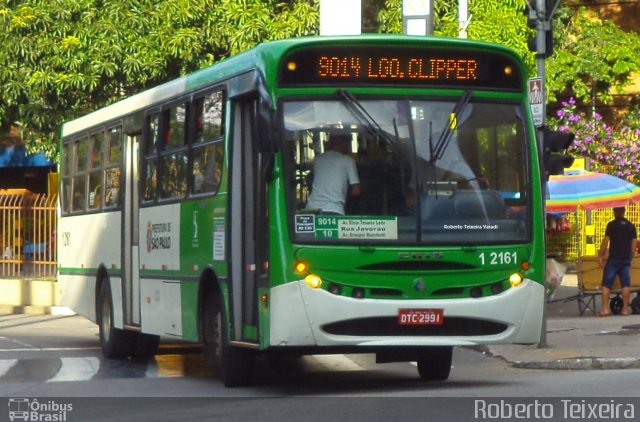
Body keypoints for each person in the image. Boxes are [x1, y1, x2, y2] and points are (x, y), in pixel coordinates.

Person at [306, 132, 361, 215]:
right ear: (345, 144)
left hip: (312, 209)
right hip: (334, 210)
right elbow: (356, 191)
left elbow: (310, 178)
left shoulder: (318, 159)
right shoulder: (347, 160)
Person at [597, 206, 638, 316]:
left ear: (615, 211)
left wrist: (600, 255)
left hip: (613, 258)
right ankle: (625, 309)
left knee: (606, 284)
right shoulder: (631, 226)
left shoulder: (611, 225)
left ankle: (605, 309)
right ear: (624, 212)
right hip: (625, 259)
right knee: (625, 284)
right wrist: (630, 256)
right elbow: (634, 243)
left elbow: (606, 241)